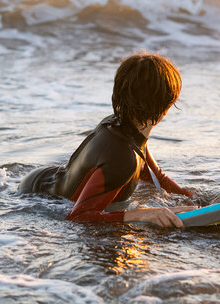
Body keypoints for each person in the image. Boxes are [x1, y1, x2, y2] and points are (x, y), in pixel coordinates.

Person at [18, 53, 197, 227]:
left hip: (43, 180)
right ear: (164, 107)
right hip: (38, 195)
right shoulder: (122, 157)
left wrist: (192, 199)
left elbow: (152, 174)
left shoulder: (127, 125)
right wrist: (145, 213)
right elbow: (78, 216)